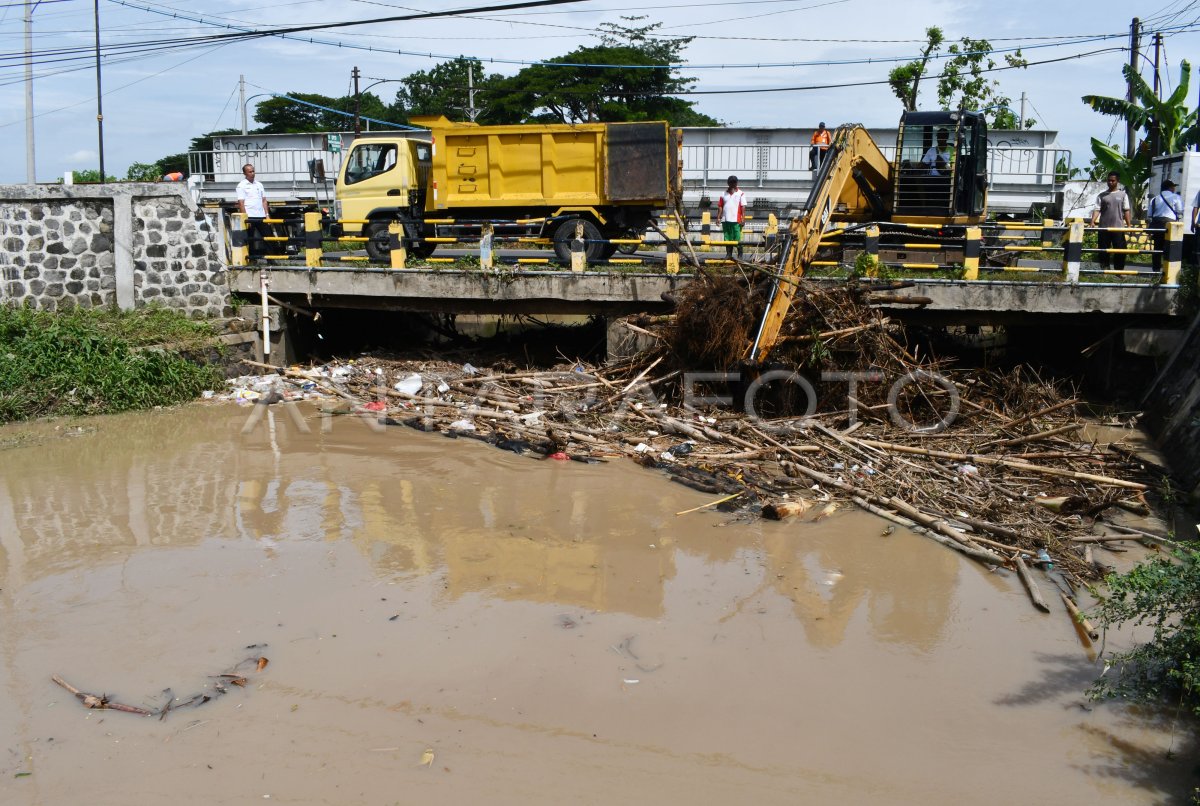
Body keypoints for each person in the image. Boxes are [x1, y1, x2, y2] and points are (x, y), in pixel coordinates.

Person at [1091, 171, 1132, 271]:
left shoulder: (1123, 195)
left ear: (1117, 181)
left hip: (1118, 228)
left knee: (1120, 250)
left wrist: (1129, 225)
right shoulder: (1102, 196)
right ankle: (1104, 270)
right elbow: (1097, 209)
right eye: (1108, 180)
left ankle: (1119, 271)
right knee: (1103, 250)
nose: (1110, 182)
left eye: (1113, 180)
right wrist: (1092, 221)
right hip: (1104, 228)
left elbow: (1126, 210)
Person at [1147, 179, 1184, 271]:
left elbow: (1149, 215)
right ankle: (1168, 271)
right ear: (1170, 188)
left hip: (1157, 225)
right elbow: (1180, 211)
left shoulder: (1154, 199)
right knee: (1170, 248)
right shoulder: (1176, 197)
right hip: (1170, 225)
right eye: (1173, 187)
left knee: (1157, 249)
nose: (1174, 188)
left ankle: (1155, 271)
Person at [237, 163, 272, 259]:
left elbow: (264, 200)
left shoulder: (259, 184)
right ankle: (252, 259)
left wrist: (267, 214)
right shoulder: (241, 185)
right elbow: (241, 203)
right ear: (245, 173)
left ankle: (271, 259)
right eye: (250, 171)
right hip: (250, 216)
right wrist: (245, 217)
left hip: (261, 215)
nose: (252, 173)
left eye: (253, 171)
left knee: (268, 237)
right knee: (250, 239)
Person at [717, 175, 746, 260]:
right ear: (728, 183)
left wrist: (743, 219)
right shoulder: (723, 194)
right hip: (725, 219)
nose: (733, 184)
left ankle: (740, 255)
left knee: (737, 238)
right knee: (727, 238)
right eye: (731, 182)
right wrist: (718, 217)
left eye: (734, 182)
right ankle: (729, 254)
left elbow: (743, 207)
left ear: (737, 183)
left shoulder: (741, 194)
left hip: (736, 220)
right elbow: (720, 206)